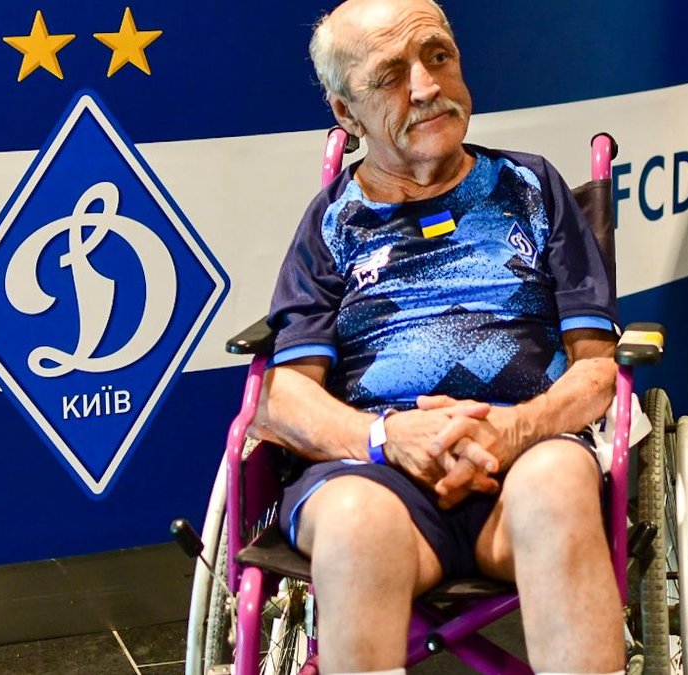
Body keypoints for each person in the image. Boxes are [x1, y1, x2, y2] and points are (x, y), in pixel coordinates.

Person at [251, 1, 627, 674]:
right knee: (354, 523)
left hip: (525, 457)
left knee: (560, 483)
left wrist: (513, 430)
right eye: (390, 75)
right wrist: (387, 438)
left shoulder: (532, 188)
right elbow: (282, 400)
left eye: (438, 57)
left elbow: (598, 371)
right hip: (374, 473)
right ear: (346, 114)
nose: (426, 87)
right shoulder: (332, 224)